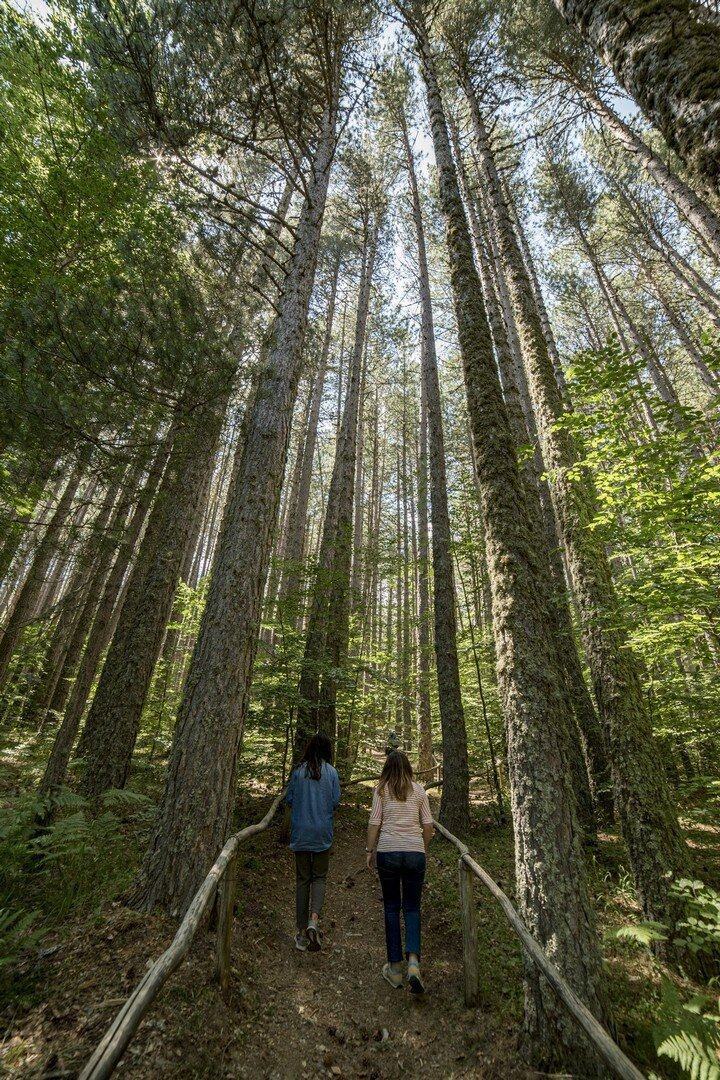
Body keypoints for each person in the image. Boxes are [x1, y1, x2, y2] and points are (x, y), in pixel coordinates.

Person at [366, 751, 434, 993]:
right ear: (408, 768)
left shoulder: (381, 790)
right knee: (413, 907)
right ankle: (413, 964)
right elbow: (428, 825)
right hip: (415, 853)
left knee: (392, 907)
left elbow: (375, 822)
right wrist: (422, 849)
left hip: (388, 853)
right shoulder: (419, 791)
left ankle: (395, 969)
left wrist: (369, 850)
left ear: (387, 768)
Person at [285, 733, 340, 952]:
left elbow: (289, 800)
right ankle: (313, 922)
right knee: (319, 878)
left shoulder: (298, 772)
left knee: (302, 880)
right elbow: (335, 801)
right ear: (326, 750)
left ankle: (300, 933)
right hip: (322, 833)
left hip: (301, 832)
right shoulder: (332, 772)